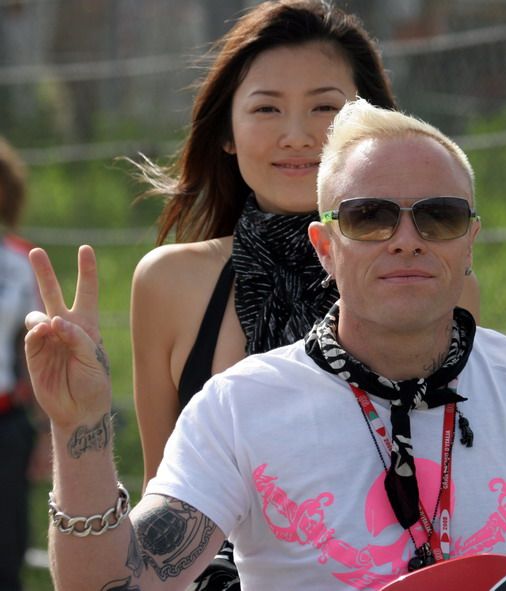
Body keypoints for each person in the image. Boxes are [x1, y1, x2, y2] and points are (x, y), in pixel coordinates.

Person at [25, 100, 506, 590]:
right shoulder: (238, 407)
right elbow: (120, 582)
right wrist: (79, 428)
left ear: (469, 241)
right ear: (325, 247)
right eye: (370, 216)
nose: (407, 239)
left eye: (439, 216)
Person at [129, 2, 478, 586]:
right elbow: (160, 498)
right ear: (226, 133)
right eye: (266, 108)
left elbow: (445, 481)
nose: (297, 136)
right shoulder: (169, 282)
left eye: (326, 108)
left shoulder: (438, 280)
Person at [0, 136, 48, 591]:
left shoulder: (21, 261)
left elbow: (34, 349)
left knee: (7, 552)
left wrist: (48, 431)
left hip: (7, 426)